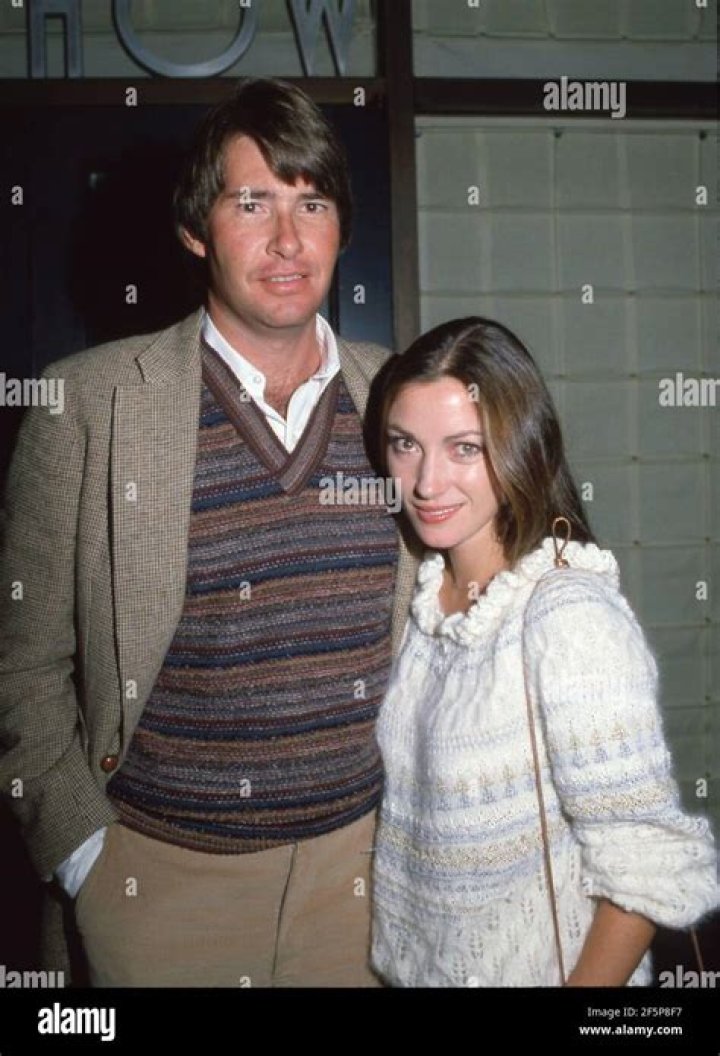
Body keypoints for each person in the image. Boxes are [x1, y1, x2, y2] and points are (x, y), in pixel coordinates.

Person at [0, 77, 418, 987]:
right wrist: (82, 852)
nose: (287, 239)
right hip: (160, 885)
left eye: (312, 203)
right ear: (196, 229)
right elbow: (19, 666)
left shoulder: (400, 396)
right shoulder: (87, 404)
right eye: (252, 203)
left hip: (365, 877)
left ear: (341, 228)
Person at [366, 316, 719, 987]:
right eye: (405, 444)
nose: (426, 482)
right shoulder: (425, 597)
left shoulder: (566, 616)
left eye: (465, 448)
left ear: (522, 447)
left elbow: (646, 866)